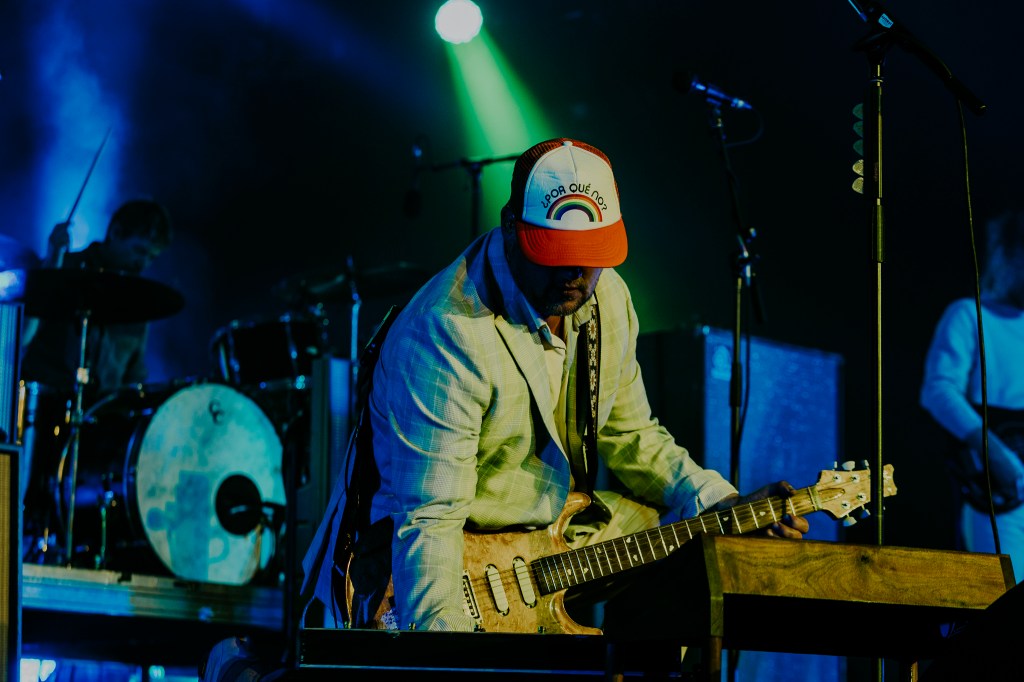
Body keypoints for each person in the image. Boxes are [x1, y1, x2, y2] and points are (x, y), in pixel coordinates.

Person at [301, 138, 809, 634]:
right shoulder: (444, 332)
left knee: (689, 544)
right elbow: (430, 521)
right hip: (436, 560)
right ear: (509, 228)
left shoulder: (608, 297)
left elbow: (634, 435)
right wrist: (446, 653)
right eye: (555, 251)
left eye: (590, 254)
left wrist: (725, 504)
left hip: (543, 534)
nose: (574, 272)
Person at [920, 209, 1024, 583]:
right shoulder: (969, 314)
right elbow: (938, 389)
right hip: (999, 493)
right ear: (1009, 255)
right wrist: (992, 450)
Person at [20, 198, 174, 395]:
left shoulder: (138, 297)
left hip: (102, 417)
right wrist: (52, 261)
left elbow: (134, 378)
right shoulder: (63, 268)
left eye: (151, 257)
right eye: (139, 251)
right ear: (115, 232)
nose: (143, 263)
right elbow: (23, 336)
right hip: (45, 404)